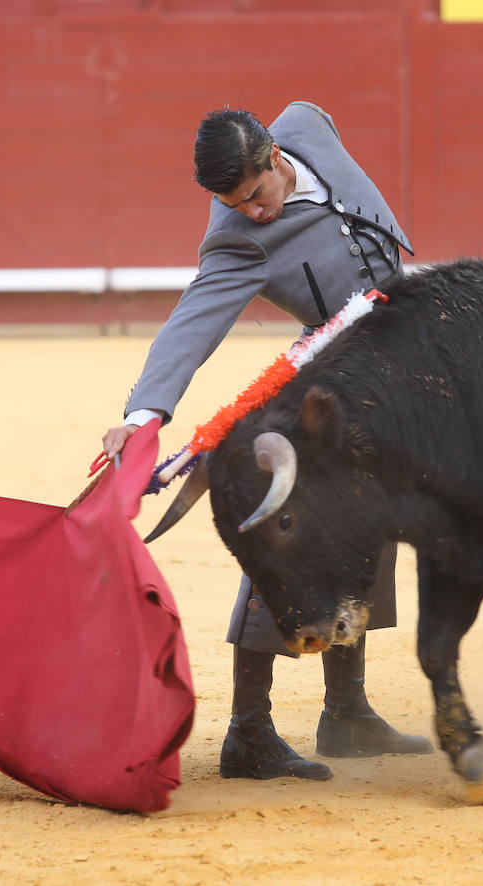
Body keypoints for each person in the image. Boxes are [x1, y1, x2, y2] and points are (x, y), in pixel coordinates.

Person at [101, 101, 433, 781]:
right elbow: (191, 323)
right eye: (234, 203)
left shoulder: (310, 122)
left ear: (278, 158)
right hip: (327, 390)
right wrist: (143, 418)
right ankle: (248, 730)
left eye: (256, 194)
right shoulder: (236, 239)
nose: (251, 212)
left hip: (398, 375)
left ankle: (346, 711)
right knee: (287, 535)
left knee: (366, 531)